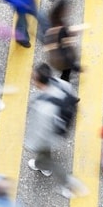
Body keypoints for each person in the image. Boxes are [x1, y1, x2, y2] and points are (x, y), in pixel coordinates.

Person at [25, 65, 87, 198]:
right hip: (62, 127)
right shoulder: (61, 83)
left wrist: (30, 144)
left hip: (50, 137)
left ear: (39, 82)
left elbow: (41, 133)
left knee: (46, 158)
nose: (31, 80)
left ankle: (67, 184)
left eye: (33, 78)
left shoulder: (43, 107)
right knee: (44, 156)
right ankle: (42, 165)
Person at [43, 0, 85, 82]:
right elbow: (64, 49)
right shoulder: (60, 29)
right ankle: (64, 80)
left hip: (56, 57)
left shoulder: (53, 19)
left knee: (67, 68)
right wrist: (75, 66)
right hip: (62, 60)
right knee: (66, 71)